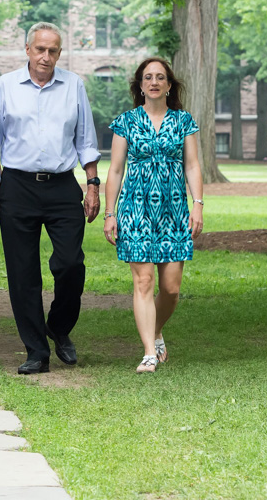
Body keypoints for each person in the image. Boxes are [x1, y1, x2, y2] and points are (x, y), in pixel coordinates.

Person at [0, 22, 100, 375]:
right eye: (40, 49)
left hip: (63, 186)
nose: (46, 56)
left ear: (59, 53)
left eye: (53, 50)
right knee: (23, 273)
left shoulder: (74, 85)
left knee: (70, 265)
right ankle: (36, 351)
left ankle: (59, 326)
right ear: (28, 50)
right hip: (18, 186)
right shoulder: (5, 86)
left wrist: (92, 185)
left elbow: (86, 140)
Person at [103, 57, 203, 373]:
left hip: (174, 212)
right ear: (141, 85)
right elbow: (116, 169)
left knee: (171, 289)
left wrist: (197, 204)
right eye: (148, 77)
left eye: (160, 77)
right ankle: (148, 351)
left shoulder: (183, 120)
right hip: (135, 210)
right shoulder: (126, 122)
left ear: (169, 85)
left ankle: (156, 329)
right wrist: (110, 212)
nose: (154, 82)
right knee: (143, 281)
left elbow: (192, 165)